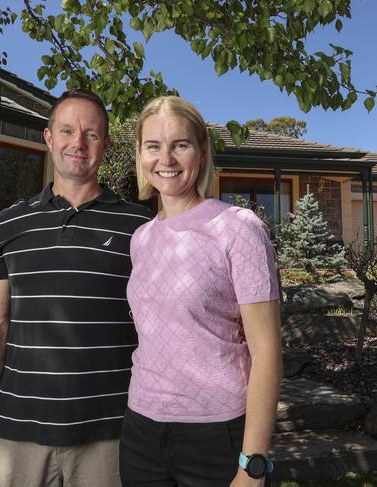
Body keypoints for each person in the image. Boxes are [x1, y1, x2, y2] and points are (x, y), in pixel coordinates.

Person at [0, 89, 154, 487]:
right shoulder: (9, 222)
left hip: (111, 433)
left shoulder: (140, 227)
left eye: (91, 134)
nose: (78, 143)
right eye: (67, 130)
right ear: (48, 138)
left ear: (104, 143)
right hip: (18, 431)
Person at [119, 96, 282, 487]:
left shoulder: (238, 228)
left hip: (216, 433)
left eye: (180, 144)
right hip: (141, 430)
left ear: (202, 151)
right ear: (140, 154)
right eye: (153, 146)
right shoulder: (141, 238)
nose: (166, 159)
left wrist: (252, 465)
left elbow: (266, 351)